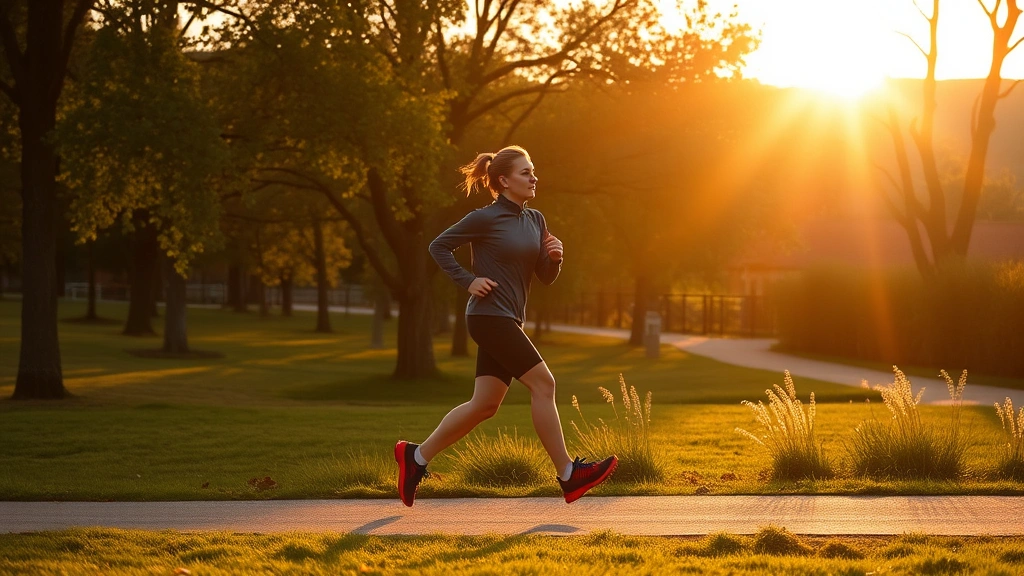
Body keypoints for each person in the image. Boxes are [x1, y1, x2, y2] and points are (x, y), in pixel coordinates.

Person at [395, 145, 618, 507]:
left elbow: (544, 278)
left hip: (507, 318)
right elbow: (439, 246)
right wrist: (467, 280)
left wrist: (556, 259)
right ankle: (568, 474)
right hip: (488, 317)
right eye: (525, 172)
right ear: (503, 180)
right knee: (544, 384)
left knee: (485, 405)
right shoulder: (485, 217)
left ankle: (415, 457)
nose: (533, 178)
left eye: (533, 171)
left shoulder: (536, 220)